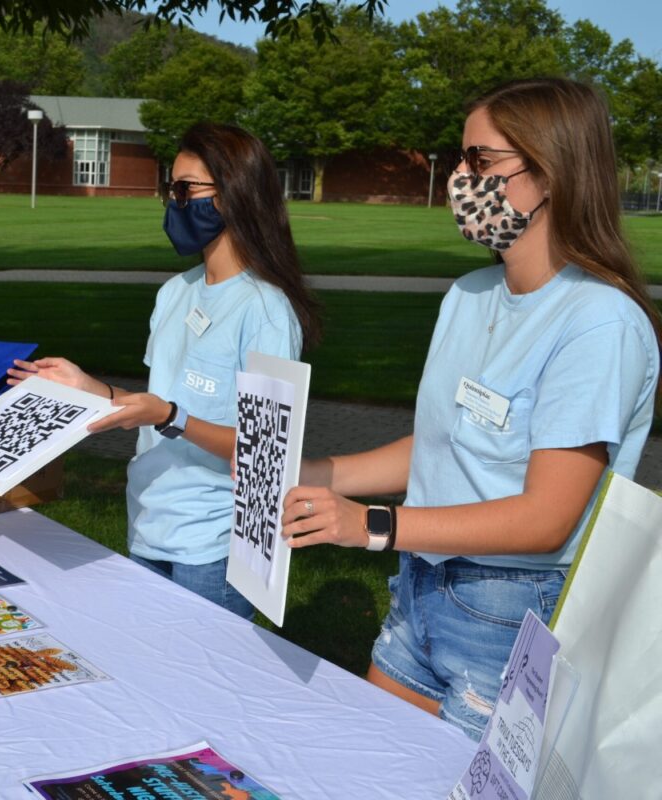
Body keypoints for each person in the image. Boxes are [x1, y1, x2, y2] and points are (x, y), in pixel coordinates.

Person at [279, 77, 661, 740]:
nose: (460, 177)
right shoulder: (469, 294)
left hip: (512, 614)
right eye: (460, 159)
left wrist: (370, 525)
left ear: (550, 174)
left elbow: (546, 519)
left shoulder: (600, 323)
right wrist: (321, 474)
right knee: (375, 772)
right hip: (421, 591)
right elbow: (444, 443)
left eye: (480, 162)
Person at [9, 122, 320, 618]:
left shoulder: (265, 311)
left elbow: (264, 451)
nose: (174, 202)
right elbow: (158, 401)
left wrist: (170, 416)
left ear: (234, 193)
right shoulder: (175, 291)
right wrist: (86, 388)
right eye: (169, 187)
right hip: (149, 523)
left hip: (211, 547)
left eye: (186, 189)